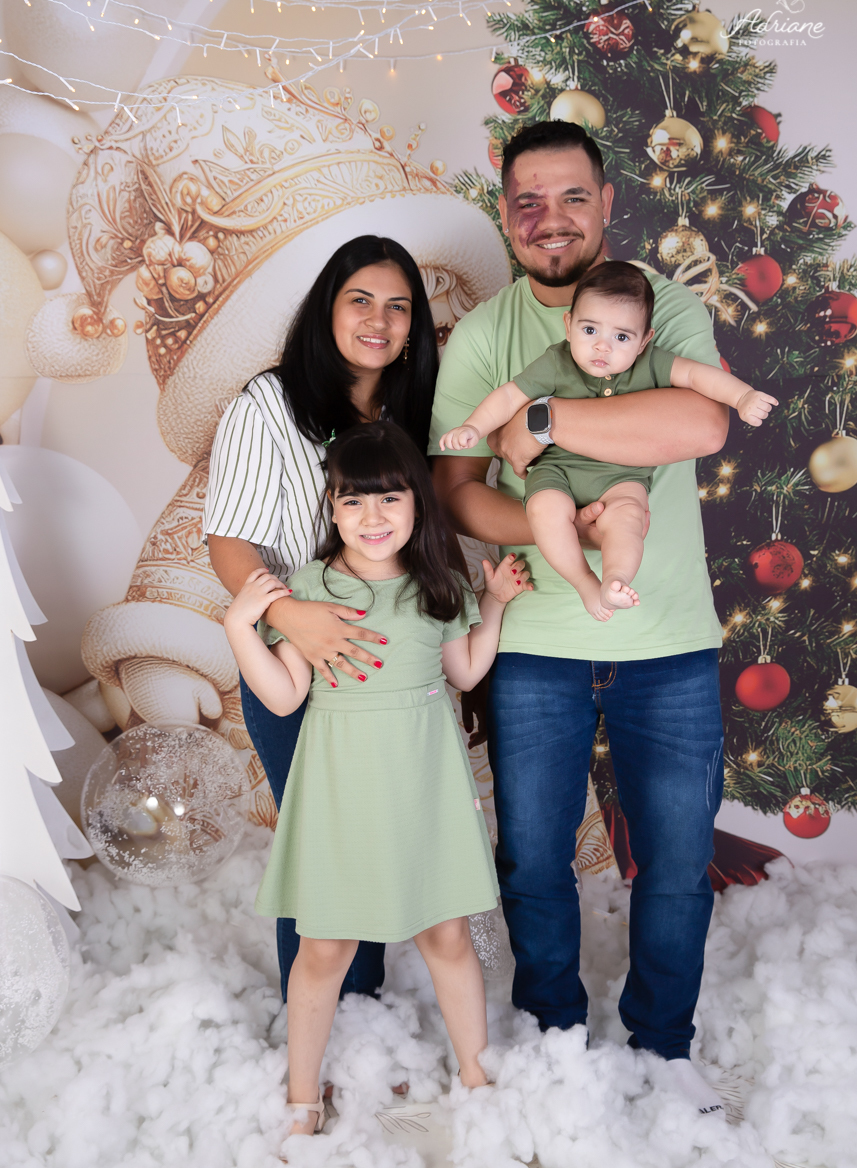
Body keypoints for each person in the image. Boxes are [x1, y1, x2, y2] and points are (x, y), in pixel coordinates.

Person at [430, 120, 729, 1115]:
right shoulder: (486, 334)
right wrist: (554, 522)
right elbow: (457, 486)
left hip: (668, 639)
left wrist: (546, 420)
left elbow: (696, 422)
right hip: (535, 643)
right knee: (531, 856)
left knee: (675, 860)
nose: (548, 219)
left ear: (605, 203)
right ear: (504, 213)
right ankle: (552, 1030)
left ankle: (663, 1044)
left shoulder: (662, 305)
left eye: (570, 197)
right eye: (527, 201)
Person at [223, 422, 531, 1140]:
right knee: (325, 947)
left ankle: (476, 1076)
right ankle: (302, 1098)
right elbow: (283, 697)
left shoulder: (437, 584)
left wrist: (494, 604)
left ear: (417, 502)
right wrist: (241, 628)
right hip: (342, 785)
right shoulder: (311, 588)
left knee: (446, 935)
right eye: (353, 501)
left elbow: (464, 672)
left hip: (423, 781)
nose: (372, 517)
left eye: (389, 498)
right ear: (331, 510)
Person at [204, 235, 441, 1006]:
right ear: (325, 310)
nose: (379, 320)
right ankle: (318, 1026)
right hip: (296, 659)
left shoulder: (413, 412)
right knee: (321, 850)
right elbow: (230, 538)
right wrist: (292, 616)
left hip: (386, 664)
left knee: (375, 837)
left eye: (398, 307)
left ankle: (364, 1014)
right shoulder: (269, 404)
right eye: (359, 301)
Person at [439, 261, 777, 621]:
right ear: (569, 325)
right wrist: (473, 427)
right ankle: (585, 582)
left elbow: (697, 376)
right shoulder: (556, 362)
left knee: (628, 520)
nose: (602, 347)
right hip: (558, 471)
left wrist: (742, 397)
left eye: (622, 337)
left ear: (644, 340)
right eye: (589, 330)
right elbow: (509, 396)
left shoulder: (650, 363)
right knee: (544, 511)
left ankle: (615, 580)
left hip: (623, 476)